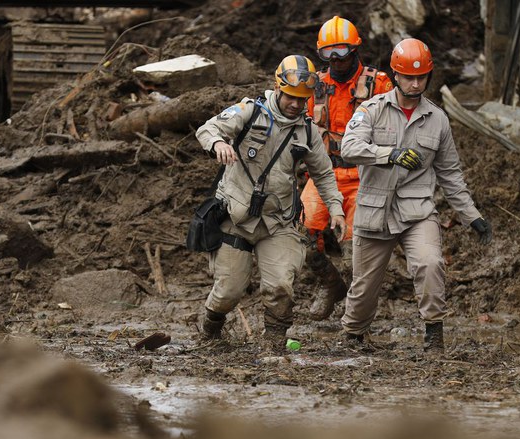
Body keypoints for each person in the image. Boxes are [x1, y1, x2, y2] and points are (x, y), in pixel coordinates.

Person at [339, 38, 493, 353]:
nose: (415, 83)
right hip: (374, 209)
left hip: (417, 211)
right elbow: (349, 148)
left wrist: (471, 216)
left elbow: (451, 174)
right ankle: (353, 336)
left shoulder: (438, 119)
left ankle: (434, 336)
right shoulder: (371, 110)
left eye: (421, 77)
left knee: (430, 263)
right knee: (364, 286)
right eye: (408, 76)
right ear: (395, 75)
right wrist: (388, 154)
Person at [195, 55, 346, 353]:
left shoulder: (307, 131)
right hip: (235, 219)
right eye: (291, 96)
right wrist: (219, 143)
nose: (296, 104)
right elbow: (207, 129)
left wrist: (337, 209)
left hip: (278, 220)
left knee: (280, 286)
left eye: (302, 99)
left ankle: (274, 344)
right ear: (278, 88)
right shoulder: (250, 111)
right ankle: (210, 331)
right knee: (228, 291)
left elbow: (324, 174)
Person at [301, 16, 393, 321]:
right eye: (328, 54)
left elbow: (395, 130)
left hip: (365, 175)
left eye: (341, 51)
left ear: (355, 50)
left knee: (359, 250)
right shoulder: (315, 86)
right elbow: (300, 129)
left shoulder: (379, 84)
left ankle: (358, 314)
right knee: (301, 234)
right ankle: (330, 285)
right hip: (324, 174)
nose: (336, 60)